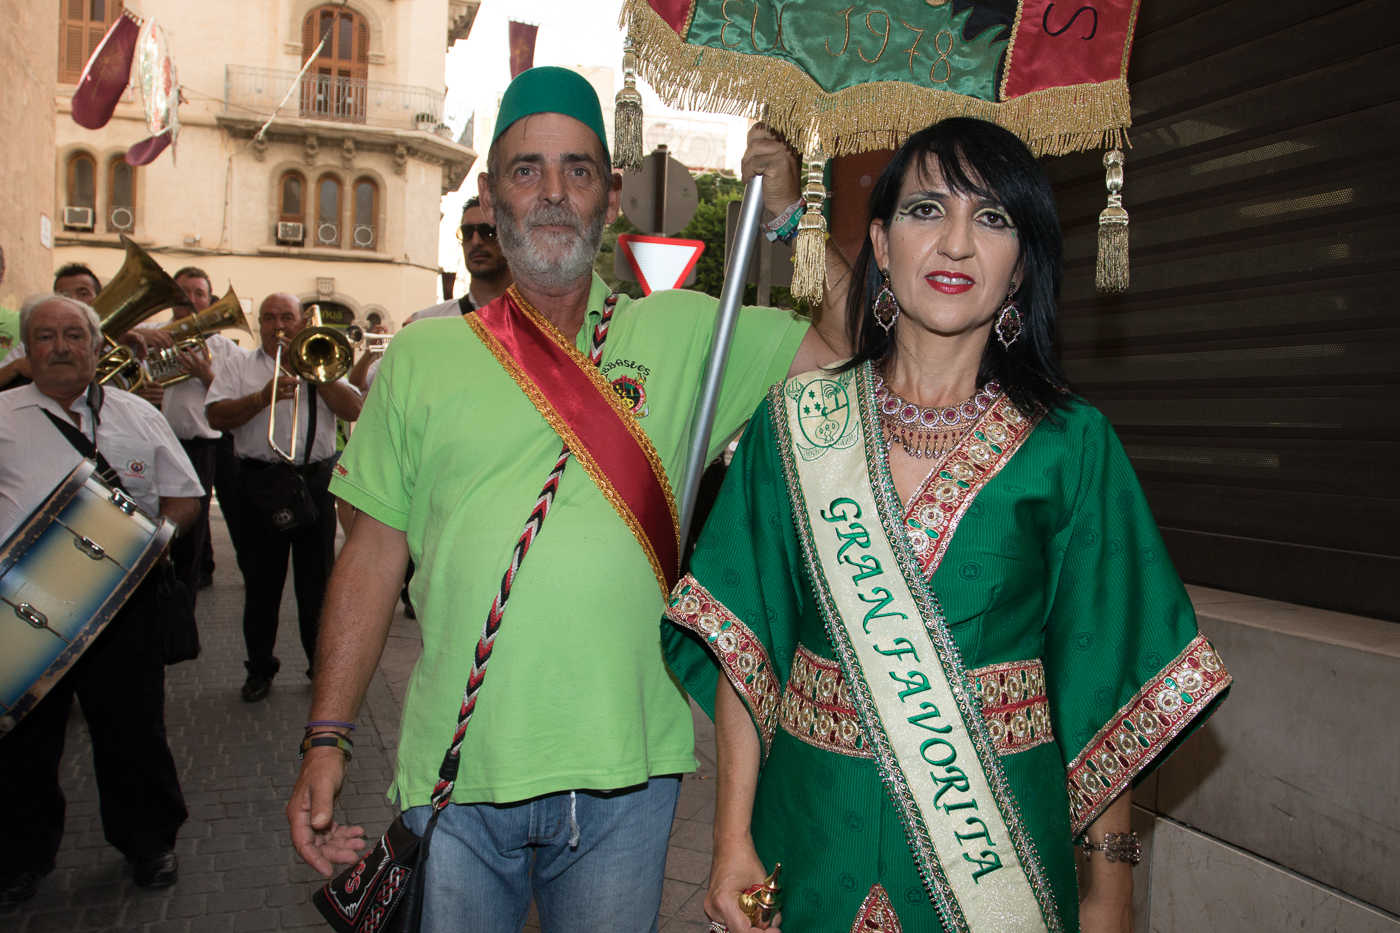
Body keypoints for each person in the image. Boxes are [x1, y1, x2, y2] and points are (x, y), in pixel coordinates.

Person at [286, 66, 848, 933]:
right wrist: (328, 735)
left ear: (610, 196)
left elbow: (855, 357)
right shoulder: (421, 357)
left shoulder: (686, 329)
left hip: (627, 775)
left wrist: (790, 213)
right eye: (528, 169)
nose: (553, 192)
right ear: (491, 194)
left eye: (577, 170)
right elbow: (371, 553)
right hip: (458, 777)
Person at [662, 118, 1234, 933]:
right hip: (810, 835)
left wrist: (1110, 894)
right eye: (927, 209)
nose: (957, 242)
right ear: (881, 244)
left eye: (992, 217)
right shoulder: (796, 423)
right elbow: (745, 646)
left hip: (997, 863)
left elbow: (1108, 684)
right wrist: (728, 843)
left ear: (1021, 266)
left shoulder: (1072, 447)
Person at [0, 294, 202, 904]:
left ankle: (150, 842)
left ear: (96, 346)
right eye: (45, 337)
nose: (61, 347)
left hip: (123, 603)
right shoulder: (3, 415)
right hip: (27, 606)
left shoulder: (139, 414)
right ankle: (20, 858)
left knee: (133, 730)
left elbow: (184, 496)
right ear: (27, 350)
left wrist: (153, 544)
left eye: (74, 335)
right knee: (25, 741)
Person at [206, 294, 363, 702]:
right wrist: (262, 398)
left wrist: (320, 374)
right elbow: (216, 416)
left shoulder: (322, 358)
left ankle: (320, 667)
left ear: (301, 322)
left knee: (317, 586)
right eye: (269, 318)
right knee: (261, 586)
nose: (278, 326)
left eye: (287, 318)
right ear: (259, 323)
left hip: (313, 482)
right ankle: (259, 668)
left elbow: (355, 409)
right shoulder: (240, 365)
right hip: (260, 482)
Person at [158, 266, 246, 600]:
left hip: (202, 447)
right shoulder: (153, 336)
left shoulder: (224, 348)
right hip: (159, 443)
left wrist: (205, 375)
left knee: (192, 530)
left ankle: (187, 595)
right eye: (184, 292)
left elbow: (238, 397)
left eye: (200, 294)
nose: (192, 300)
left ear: (210, 301)